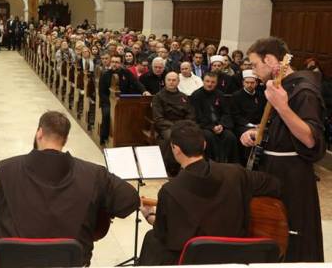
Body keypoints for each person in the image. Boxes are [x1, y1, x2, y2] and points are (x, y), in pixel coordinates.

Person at [0, 111, 140, 267]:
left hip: (16, 259)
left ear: (39, 133)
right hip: (70, 259)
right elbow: (130, 200)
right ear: (65, 139)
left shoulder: (6, 169)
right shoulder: (95, 174)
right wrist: (99, 207)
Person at [138, 120, 281, 265]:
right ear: (204, 144)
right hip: (236, 256)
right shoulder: (236, 173)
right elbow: (275, 185)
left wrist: (149, 215)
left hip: (196, 261)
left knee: (152, 241)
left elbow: (164, 235)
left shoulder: (170, 191)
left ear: (176, 149)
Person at [240, 37, 326, 262]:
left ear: (269, 60)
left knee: (292, 236)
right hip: (273, 168)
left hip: (292, 176)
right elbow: (282, 128)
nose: (254, 71)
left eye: (255, 64)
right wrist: (257, 133)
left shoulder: (303, 91)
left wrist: (281, 106)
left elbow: (310, 139)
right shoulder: (281, 85)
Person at [99, 54, 149, 144]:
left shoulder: (126, 72)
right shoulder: (105, 74)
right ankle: (104, 136)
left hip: (123, 100)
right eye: (113, 62)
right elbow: (102, 93)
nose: (114, 64)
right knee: (107, 114)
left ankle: (128, 137)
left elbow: (136, 82)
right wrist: (110, 102)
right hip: (108, 101)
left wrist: (144, 91)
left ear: (121, 63)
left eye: (117, 62)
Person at [190, 72, 239, 163]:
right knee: (209, 136)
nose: (210, 84)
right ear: (203, 81)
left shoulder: (220, 94)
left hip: (220, 125)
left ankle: (230, 164)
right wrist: (211, 127)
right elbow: (197, 116)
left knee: (230, 136)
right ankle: (212, 163)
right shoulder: (196, 96)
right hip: (204, 126)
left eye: (213, 82)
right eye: (207, 81)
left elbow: (226, 113)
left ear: (216, 83)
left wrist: (222, 125)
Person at [152, 72, 195, 176]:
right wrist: (175, 126)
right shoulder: (158, 97)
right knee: (172, 137)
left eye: (174, 80)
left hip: (183, 125)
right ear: (165, 81)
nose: (171, 82)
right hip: (166, 126)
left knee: (194, 135)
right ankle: (171, 168)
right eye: (169, 80)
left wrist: (185, 125)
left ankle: (190, 165)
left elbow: (190, 114)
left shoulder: (183, 96)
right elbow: (158, 118)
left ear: (178, 82)